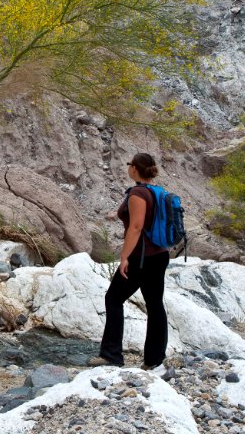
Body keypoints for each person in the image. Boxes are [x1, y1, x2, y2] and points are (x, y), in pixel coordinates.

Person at [91, 152, 169, 369]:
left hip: (141, 258)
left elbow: (135, 227)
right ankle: (155, 359)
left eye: (130, 165)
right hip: (160, 255)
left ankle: (111, 355)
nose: (128, 168)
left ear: (135, 168)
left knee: (113, 299)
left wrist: (124, 256)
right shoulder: (157, 191)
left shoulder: (137, 193)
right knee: (155, 305)